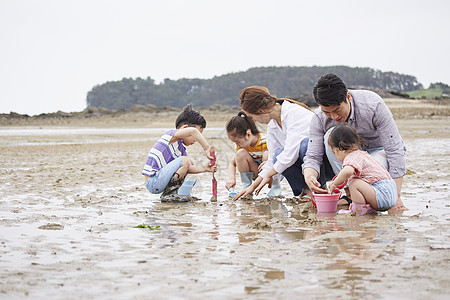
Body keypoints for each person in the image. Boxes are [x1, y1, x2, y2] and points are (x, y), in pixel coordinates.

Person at [302, 73, 407, 211]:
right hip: (347, 157)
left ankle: (365, 196)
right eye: (327, 113)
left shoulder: (373, 105)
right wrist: (310, 177)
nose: (334, 117)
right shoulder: (319, 117)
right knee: (330, 135)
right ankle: (349, 194)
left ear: (348, 97)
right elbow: (313, 156)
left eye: (337, 110)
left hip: (377, 151)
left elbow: (394, 149)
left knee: (368, 181)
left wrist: (396, 197)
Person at [234, 86, 314, 200]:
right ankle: (303, 190)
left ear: (261, 111)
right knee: (277, 155)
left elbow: (289, 155)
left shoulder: (294, 113)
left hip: (323, 162)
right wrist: (252, 187)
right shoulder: (273, 125)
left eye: (253, 117)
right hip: (304, 165)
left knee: (303, 146)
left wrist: (269, 174)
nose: (255, 121)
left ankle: (314, 188)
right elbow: (272, 159)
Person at [142, 104, 216, 202]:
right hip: (153, 181)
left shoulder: (181, 150)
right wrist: (206, 148)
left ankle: (176, 193)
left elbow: (187, 168)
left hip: (160, 180)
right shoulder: (171, 136)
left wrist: (204, 169)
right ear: (185, 129)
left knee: (189, 162)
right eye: (197, 136)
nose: (197, 139)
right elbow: (193, 131)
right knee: (186, 160)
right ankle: (169, 194)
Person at [327, 124, 397, 213]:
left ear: (341, 149)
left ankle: (358, 211)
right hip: (390, 192)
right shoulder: (363, 155)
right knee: (359, 181)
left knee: (354, 183)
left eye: (334, 152)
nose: (335, 156)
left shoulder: (351, 156)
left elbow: (347, 171)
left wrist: (335, 183)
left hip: (382, 194)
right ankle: (370, 209)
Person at [225, 111, 281, 198]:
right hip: (257, 171)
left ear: (248, 134)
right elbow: (232, 163)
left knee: (267, 154)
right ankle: (246, 186)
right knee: (240, 154)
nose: (237, 145)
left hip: (273, 171)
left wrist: (268, 163)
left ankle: (275, 187)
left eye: (238, 142)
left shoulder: (266, 140)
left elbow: (280, 157)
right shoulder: (243, 146)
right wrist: (232, 179)